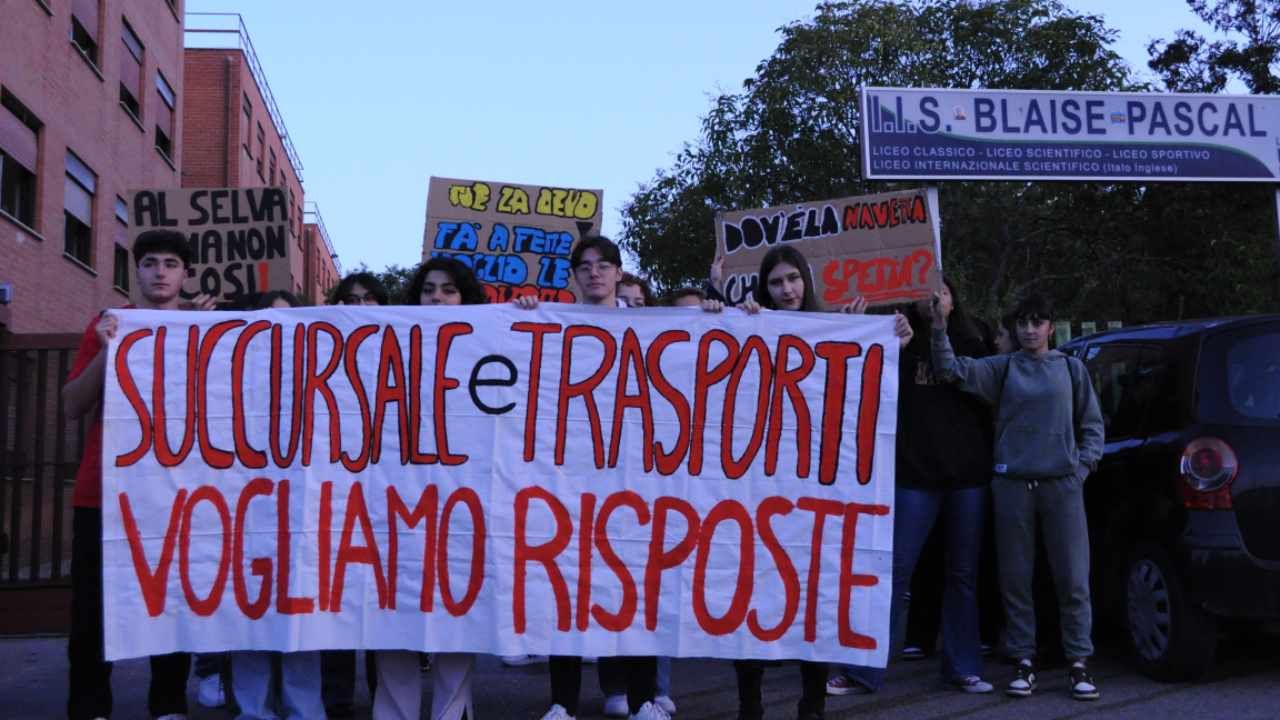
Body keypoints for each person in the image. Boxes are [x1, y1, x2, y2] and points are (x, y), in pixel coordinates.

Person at [733, 246, 912, 720]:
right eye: (776, 282)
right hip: (757, 487)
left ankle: (811, 704)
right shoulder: (747, 325)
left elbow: (869, 378)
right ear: (763, 288)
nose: (786, 289)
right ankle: (749, 704)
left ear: (806, 281)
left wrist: (889, 335)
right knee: (751, 593)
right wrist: (726, 316)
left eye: (793, 279)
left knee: (815, 595)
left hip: (816, 492)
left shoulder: (830, 328)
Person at [513, 236, 671, 720]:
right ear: (573, 277)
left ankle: (645, 698)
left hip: (634, 479)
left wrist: (711, 306)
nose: (594, 273)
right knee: (568, 585)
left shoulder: (649, 325)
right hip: (569, 477)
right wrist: (523, 314)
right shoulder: (551, 322)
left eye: (603, 265)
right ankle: (561, 702)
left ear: (620, 272)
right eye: (584, 266)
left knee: (635, 589)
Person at [62, 229, 216, 720]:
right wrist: (111, 351)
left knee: (172, 601)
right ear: (136, 269)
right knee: (92, 612)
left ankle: (168, 703)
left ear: (186, 274)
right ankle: (89, 707)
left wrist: (215, 336)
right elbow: (71, 406)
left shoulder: (204, 328)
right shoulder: (106, 325)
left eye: (172, 263)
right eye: (150, 262)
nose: (160, 272)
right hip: (102, 495)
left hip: (177, 495)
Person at [930, 291, 1105, 701]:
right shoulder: (1004, 368)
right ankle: (1023, 661)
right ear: (1014, 328)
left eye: (1037, 322)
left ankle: (1079, 663)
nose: (1029, 329)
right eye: (1022, 323)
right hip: (1012, 486)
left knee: (1073, 578)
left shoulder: (1071, 370)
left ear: (1050, 326)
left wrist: (1082, 468)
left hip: (1061, 485)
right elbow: (951, 370)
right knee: (1015, 580)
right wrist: (939, 326)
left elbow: (1092, 424)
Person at [827, 278, 997, 696]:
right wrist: (871, 333)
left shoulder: (975, 341)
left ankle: (962, 667)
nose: (933, 298)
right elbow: (865, 383)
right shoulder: (898, 339)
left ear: (955, 297)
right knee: (893, 570)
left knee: (962, 574)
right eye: (924, 291)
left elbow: (983, 392)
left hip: (968, 478)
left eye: (941, 290)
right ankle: (862, 669)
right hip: (914, 476)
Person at [369, 257, 486, 720]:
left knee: (459, 616)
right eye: (428, 290)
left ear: (466, 298)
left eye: (449, 290)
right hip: (396, 506)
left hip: (462, 506)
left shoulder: (491, 346)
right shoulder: (384, 345)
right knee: (393, 615)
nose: (436, 298)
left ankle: (452, 712)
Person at [226, 289, 326, 720]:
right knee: (248, 615)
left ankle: (305, 710)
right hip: (245, 512)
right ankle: (253, 710)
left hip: (302, 514)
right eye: (270, 316)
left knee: (300, 618)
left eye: (289, 317)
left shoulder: (319, 372)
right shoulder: (229, 371)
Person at [322, 271, 389, 717]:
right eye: (350, 298)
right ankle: (338, 695)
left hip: (391, 496)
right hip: (337, 493)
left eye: (369, 298)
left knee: (383, 600)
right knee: (338, 596)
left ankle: (383, 692)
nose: (360, 305)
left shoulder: (408, 345)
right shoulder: (321, 349)